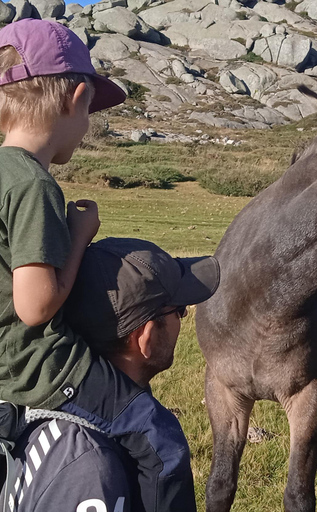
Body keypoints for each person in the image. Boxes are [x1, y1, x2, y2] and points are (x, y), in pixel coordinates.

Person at [0, 19, 197, 511]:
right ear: (77, 97)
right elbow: (36, 306)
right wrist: (80, 237)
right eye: (90, 111)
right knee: (160, 440)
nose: (86, 128)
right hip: (40, 366)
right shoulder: (32, 184)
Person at [2, 237, 220, 511]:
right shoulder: (92, 468)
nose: (184, 316)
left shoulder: (53, 415)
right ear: (146, 338)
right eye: (179, 311)